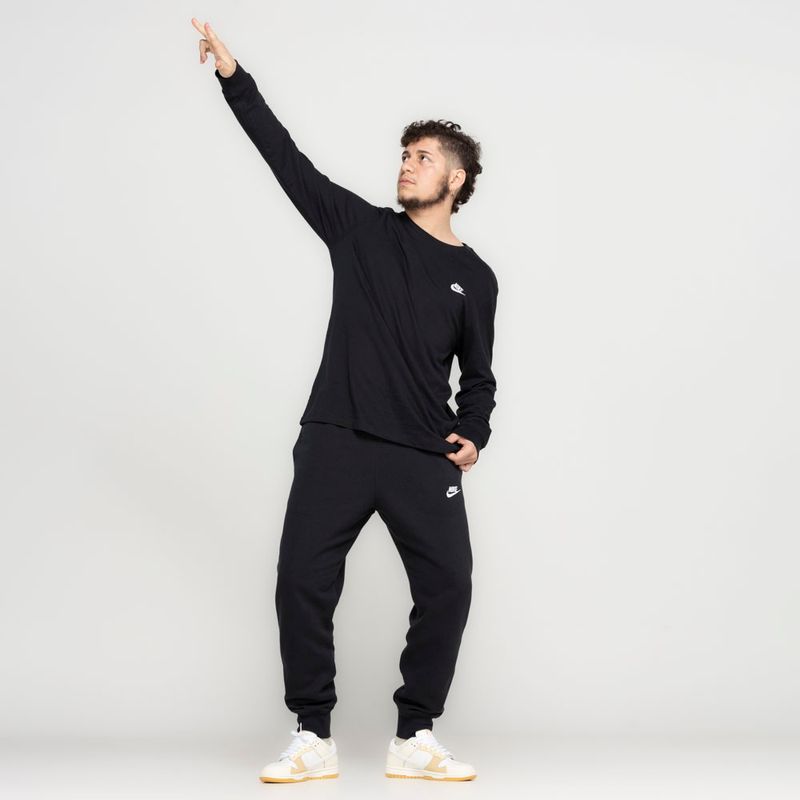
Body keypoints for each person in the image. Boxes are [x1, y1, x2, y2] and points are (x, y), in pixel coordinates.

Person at [192, 18, 498, 783]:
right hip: (337, 437)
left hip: (421, 452)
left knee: (449, 587)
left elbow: (479, 377)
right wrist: (235, 79)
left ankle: (415, 736)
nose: (407, 164)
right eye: (404, 154)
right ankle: (312, 735)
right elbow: (285, 159)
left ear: (456, 180)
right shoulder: (360, 230)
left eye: (424, 157)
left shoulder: (475, 278)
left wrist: (473, 431)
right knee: (302, 581)